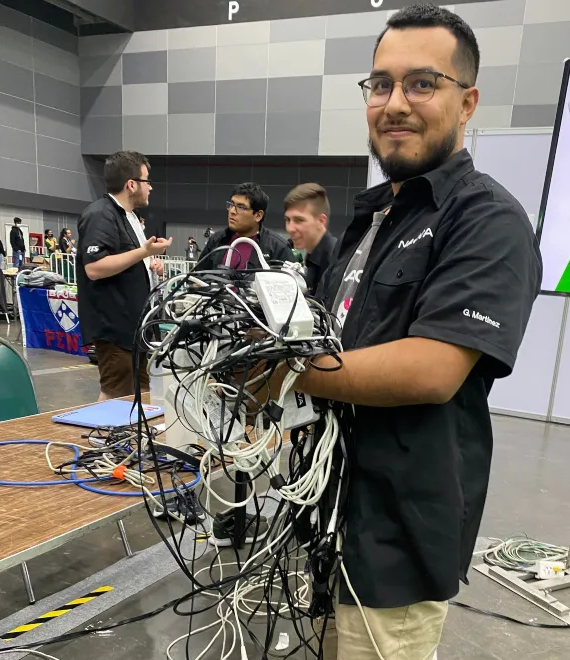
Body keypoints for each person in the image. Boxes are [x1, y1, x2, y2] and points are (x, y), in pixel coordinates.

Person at [261, 5, 542, 659]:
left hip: (398, 535)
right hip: (331, 513)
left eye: (421, 84)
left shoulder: (486, 220)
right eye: (380, 84)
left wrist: (284, 372)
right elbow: (331, 344)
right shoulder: (372, 220)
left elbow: (432, 369)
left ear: (467, 102)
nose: (394, 104)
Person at [76, 151, 170, 401]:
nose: (150, 187)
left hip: (135, 326)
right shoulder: (100, 215)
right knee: (116, 394)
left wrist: (150, 263)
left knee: (141, 393)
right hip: (115, 329)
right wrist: (144, 252)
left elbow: (128, 259)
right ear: (131, 184)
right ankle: (102, 428)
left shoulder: (129, 217)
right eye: (147, 181)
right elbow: (94, 267)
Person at [197, 183, 294, 270]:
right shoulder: (217, 240)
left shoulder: (278, 248)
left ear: (258, 215)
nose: (232, 211)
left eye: (241, 207)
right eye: (231, 204)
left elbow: (292, 283)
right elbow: (197, 277)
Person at [284, 183, 338, 295]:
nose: (290, 228)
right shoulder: (313, 255)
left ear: (321, 221)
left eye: (299, 220)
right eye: (288, 220)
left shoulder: (335, 262)